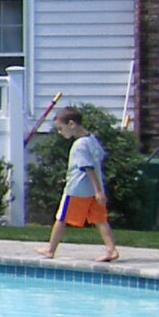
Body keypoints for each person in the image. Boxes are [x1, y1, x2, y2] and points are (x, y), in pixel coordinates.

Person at [41, 107, 121, 262]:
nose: (60, 132)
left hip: (76, 189)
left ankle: (50, 250)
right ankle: (111, 250)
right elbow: (100, 158)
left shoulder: (79, 145)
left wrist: (98, 191)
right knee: (100, 219)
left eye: (60, 128)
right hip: (92, 190)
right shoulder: (92, 139)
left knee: (61, 218)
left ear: (71, 124)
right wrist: (98, 190)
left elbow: (87, 168)